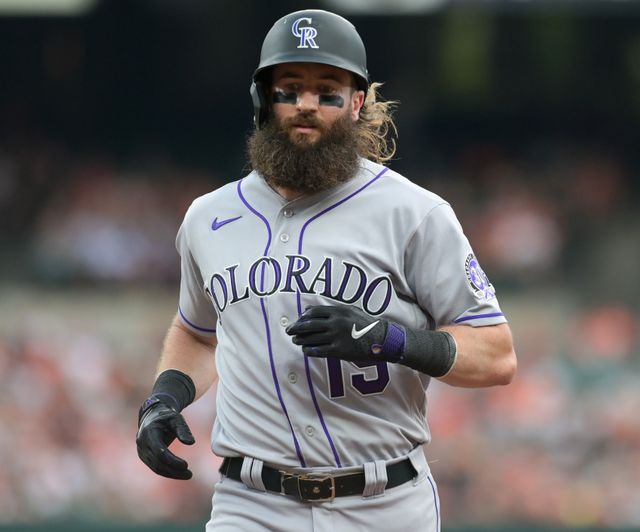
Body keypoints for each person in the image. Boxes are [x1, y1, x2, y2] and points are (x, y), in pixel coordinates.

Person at [136, 9, 517, 531]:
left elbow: (496, 355)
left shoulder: (414, 214)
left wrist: (391, 340)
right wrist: (164, 398)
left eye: (328, 90)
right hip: (251, 503)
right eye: (289, 88)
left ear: (357, 103)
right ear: (263, 102)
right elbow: (199, 334)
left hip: (384, 502)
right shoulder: (208, 218)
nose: (307, 105)